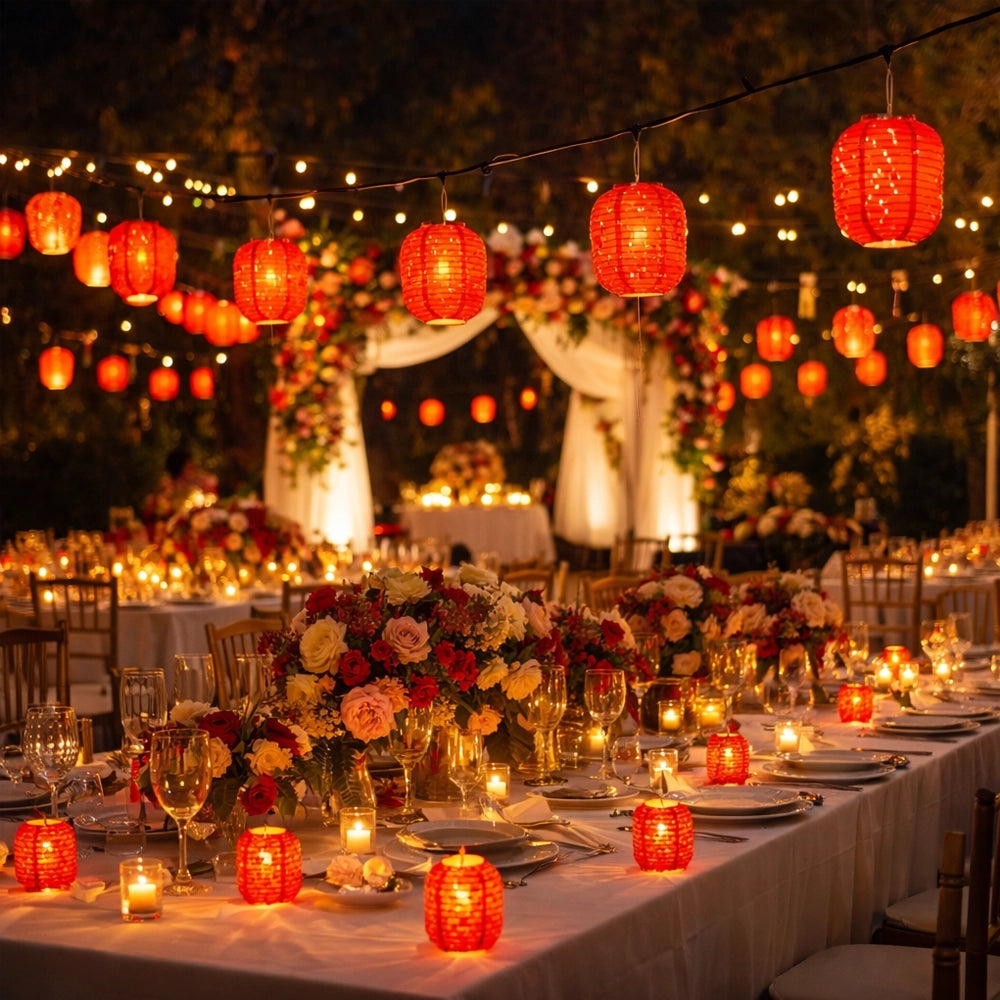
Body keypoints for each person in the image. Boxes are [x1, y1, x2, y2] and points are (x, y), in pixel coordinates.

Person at [142, 447, 219, 532]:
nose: (193, 468)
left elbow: (212, 501)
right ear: (179, 468)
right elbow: (153, 511)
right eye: (189, 466)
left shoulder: (203, 482)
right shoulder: (167, 485)